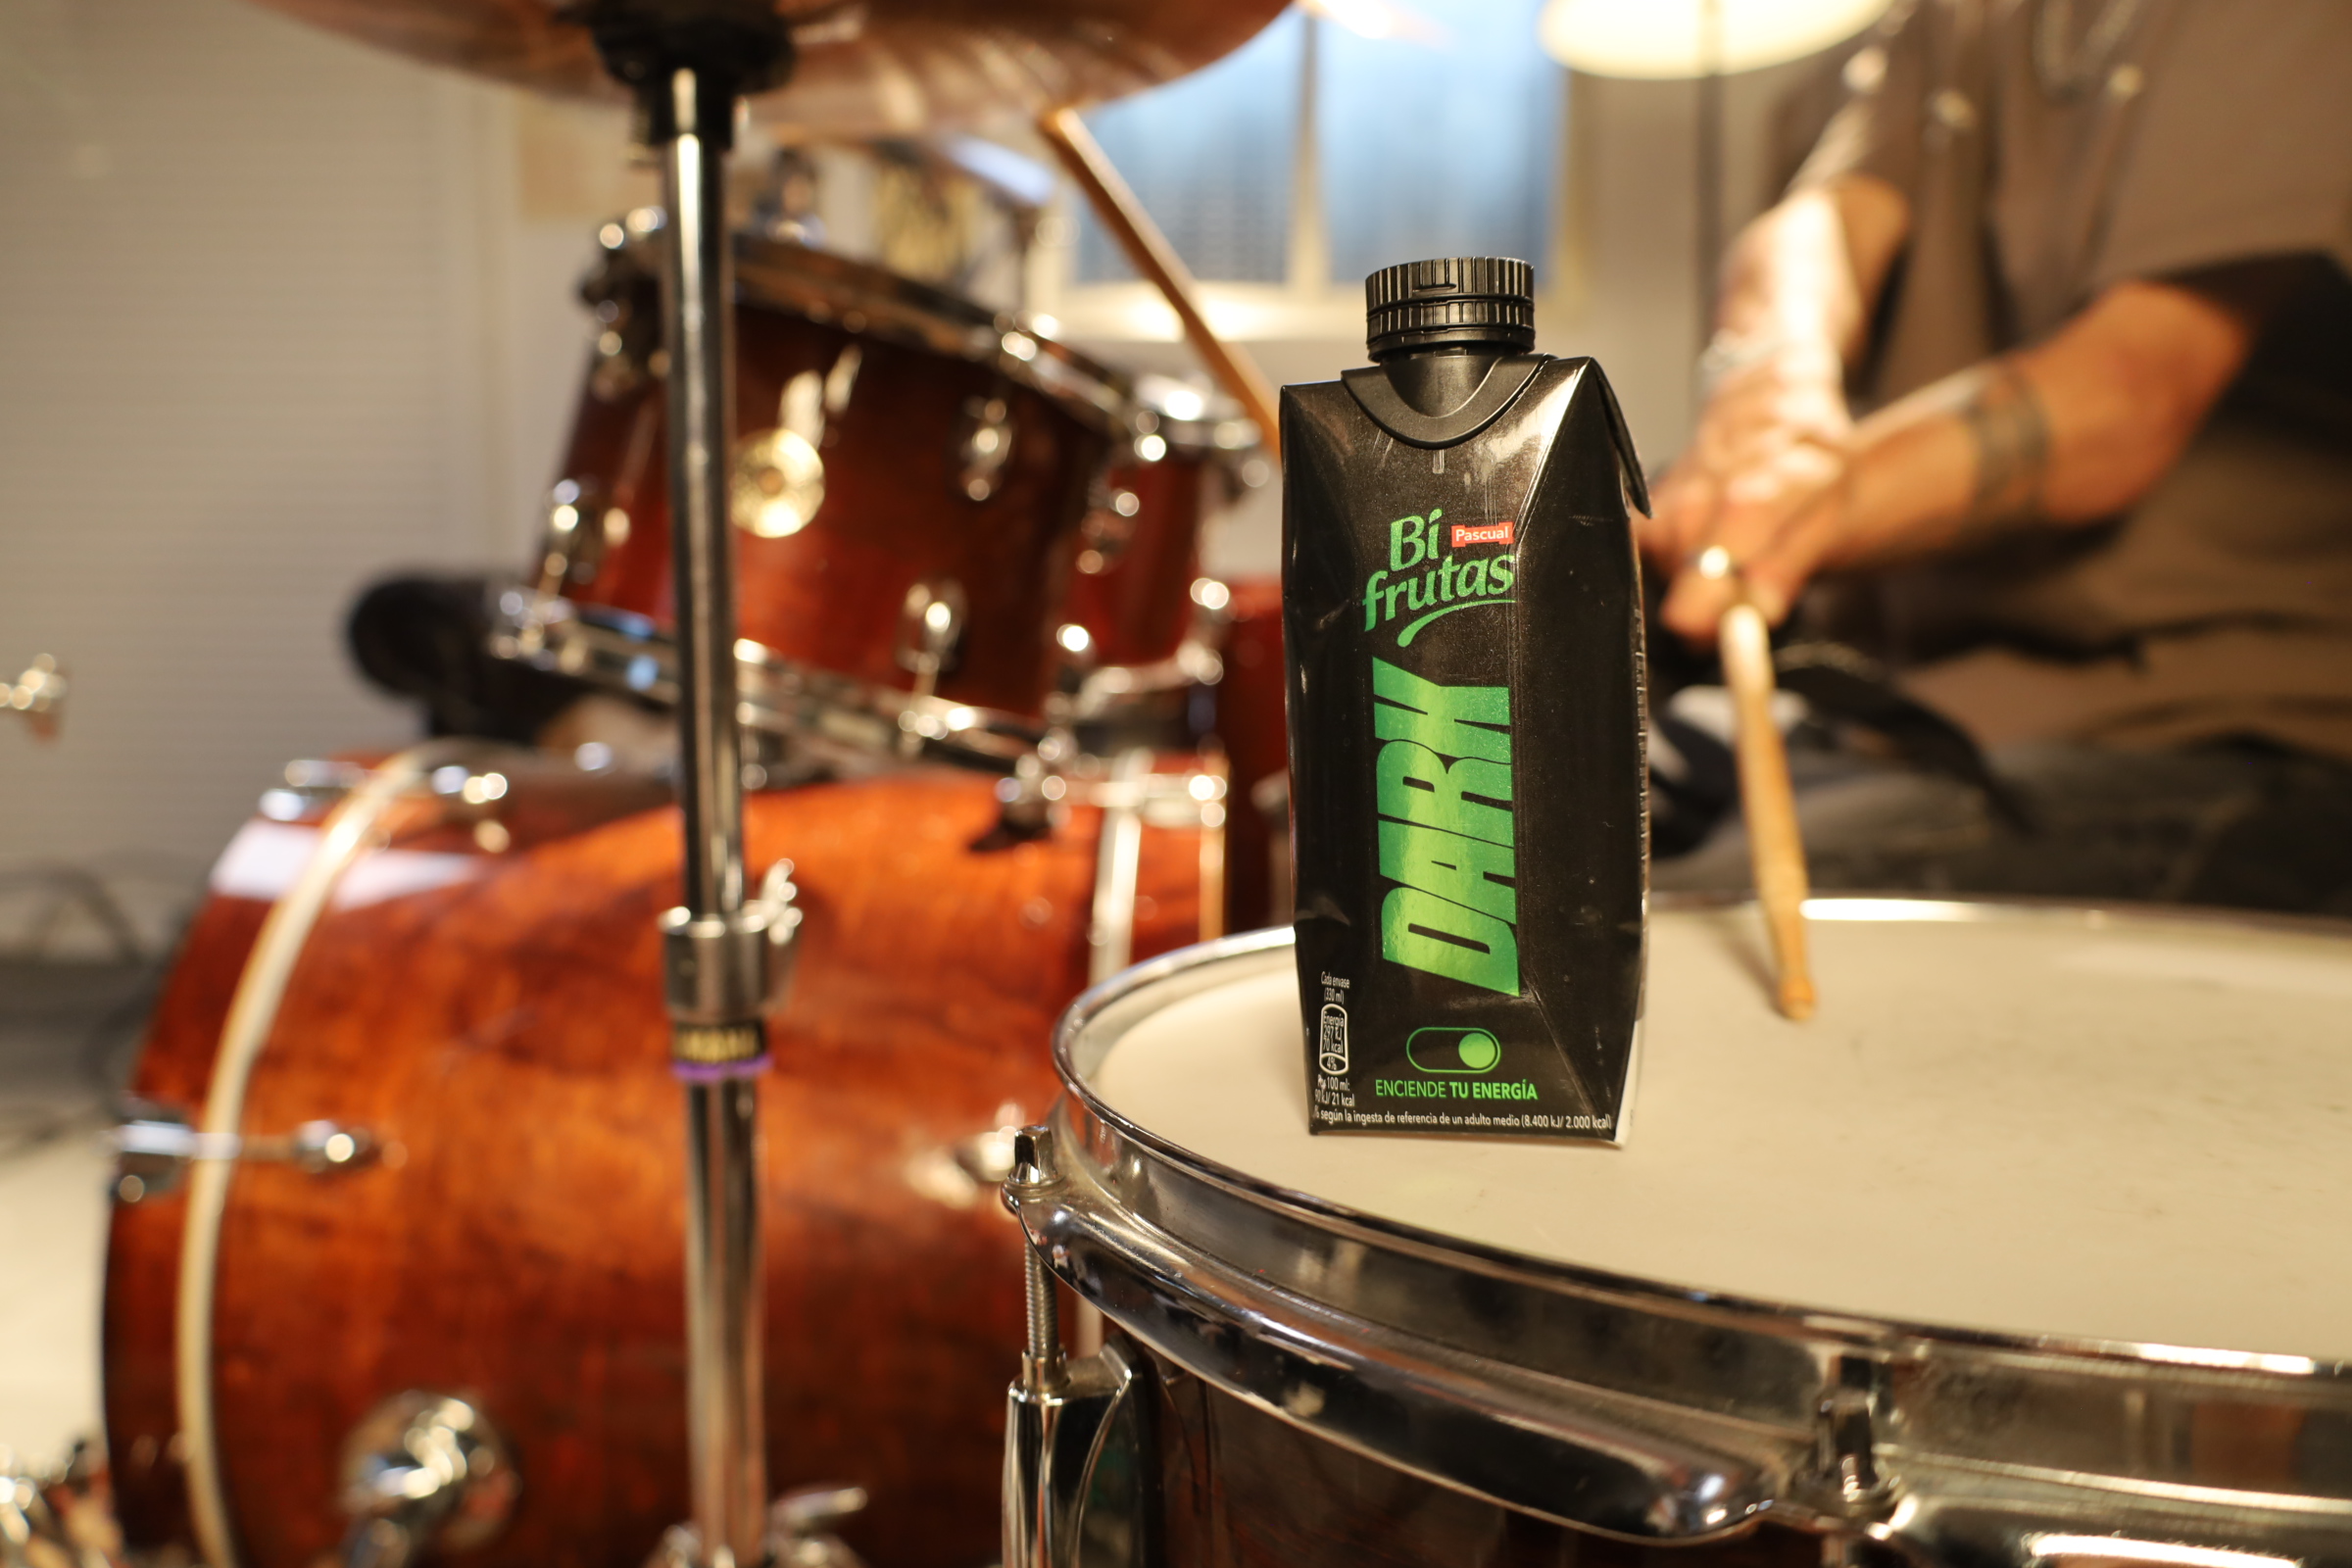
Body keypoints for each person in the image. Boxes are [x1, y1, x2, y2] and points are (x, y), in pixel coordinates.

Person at [1645, 0, 2352, 913]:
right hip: (1906, 723)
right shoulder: (1941, 17)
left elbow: (2124, 398)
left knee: (1663, 949)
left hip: (2210, 735)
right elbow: (1825, 219)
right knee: (1530, 868)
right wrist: (1769, 382)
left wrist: (1767, 512)